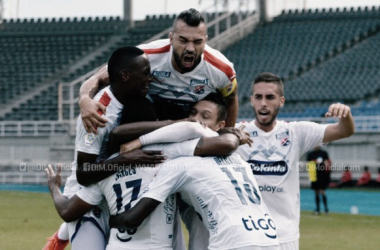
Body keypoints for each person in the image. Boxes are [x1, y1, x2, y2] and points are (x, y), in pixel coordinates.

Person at [45, 93, 257, 249]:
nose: (195, 120)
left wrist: (55, 187)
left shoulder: (109, 166)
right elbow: (207, 137)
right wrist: (232, 135)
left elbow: (68, 211)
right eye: (193, 114)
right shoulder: (171, 155)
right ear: (155, 125)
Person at [43, 46, 166, 250]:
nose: (150, 78)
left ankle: (62, 235)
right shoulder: (98, 113)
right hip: (87, 201)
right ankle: (67, 233)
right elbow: (84, 174)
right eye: (145, 73)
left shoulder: (139, 94)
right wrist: (125, 159)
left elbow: (99, 76)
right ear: (125, 76)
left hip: (121, 196)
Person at [232, 72, 355, 250]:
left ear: (281, 101)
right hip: (247, 237)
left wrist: (345, 114)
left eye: (270, 97)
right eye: (258, 97)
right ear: (251, 100)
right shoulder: (236, 133)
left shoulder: (296, 132)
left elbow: (344, 131)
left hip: (285, 238)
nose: (263, 103)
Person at [78, 8, 239, 134]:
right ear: (171, 38)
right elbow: (99, 77)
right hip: (149, 118)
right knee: (137, 107)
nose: (190, 48)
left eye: (197, 42)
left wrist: (226, 132)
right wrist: (85, 99)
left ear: (205, 40)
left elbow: (231, 99)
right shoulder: (146, 56)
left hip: (191, 122)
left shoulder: (221, 69)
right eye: (183, 40)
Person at [306, 146, 331, 215]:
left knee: (322, 191)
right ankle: (317, 209)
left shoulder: (323, 153)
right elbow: (308, 163)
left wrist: (324, 163)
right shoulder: (310, 154)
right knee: (316, 192)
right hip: (314, 175)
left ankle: (326, 209)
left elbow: (326, 162)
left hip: (322, 175)